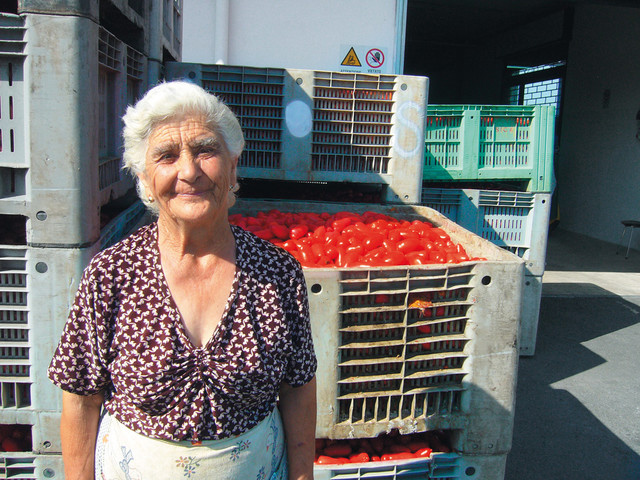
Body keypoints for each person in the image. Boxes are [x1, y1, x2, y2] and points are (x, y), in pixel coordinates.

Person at [47, 81, 317, 480]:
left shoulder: (277, 272)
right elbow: (81, 399)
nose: (189, 171)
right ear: (144, 176)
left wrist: (302, 476)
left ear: (232, 164)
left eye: (206, 149)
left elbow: (297, 387)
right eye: (167, 156)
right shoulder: (112, 273)